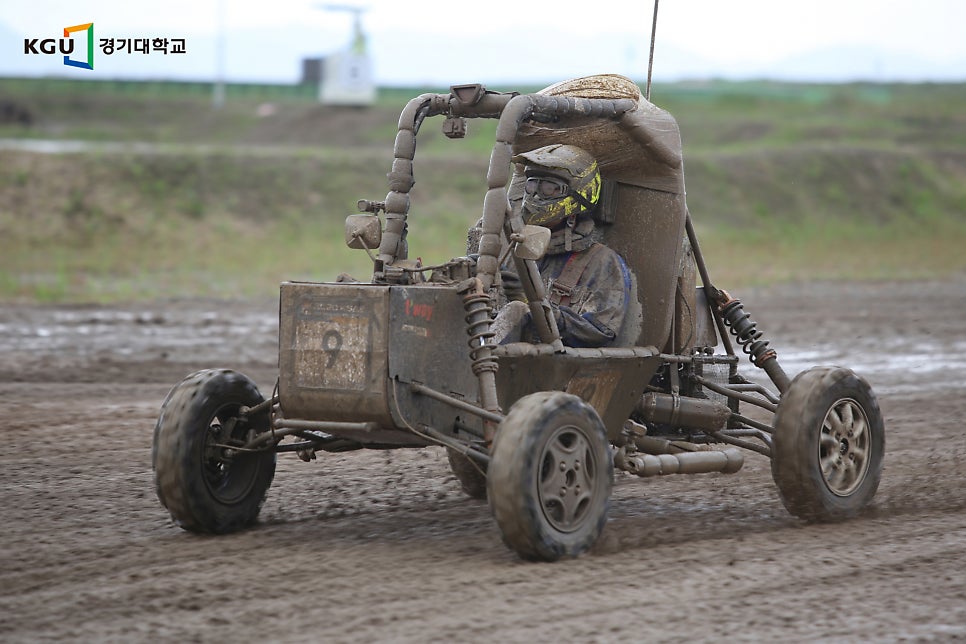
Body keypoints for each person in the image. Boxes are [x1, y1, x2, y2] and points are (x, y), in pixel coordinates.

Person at [494, 143, 633, 348]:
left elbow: (599, 331)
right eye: (531, 185)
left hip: (555, 371)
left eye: (549, 188)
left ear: (578, 195)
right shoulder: (510, 247)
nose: (535, 195)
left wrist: (535, 308)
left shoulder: (602, 261)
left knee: (517, 309)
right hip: (498, 357)